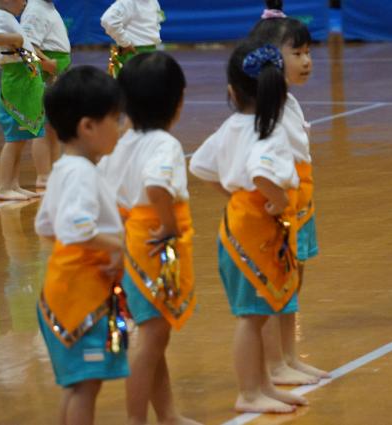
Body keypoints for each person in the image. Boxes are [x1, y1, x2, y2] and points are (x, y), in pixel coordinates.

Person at [190, 40, 307, 413]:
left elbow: (200, 165)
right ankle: (248, 392)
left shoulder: (232, 126)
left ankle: (264, 386)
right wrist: (279, 201)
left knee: (258, 313)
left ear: (232, 91)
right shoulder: (269, 131)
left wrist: (232, 195)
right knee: (251, 317)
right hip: (254, 231)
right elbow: (260, 172)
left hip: (239, 223)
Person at [98, 52, 200, 425]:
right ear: (177, 102)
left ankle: (168, 414)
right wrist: (169, 225)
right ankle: (136, 420)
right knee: (152, 341)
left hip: (127, 243)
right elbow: (157, 185)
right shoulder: (164, 144)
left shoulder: (120, 143)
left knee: (153, 338)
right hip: (153, 248)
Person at [35, 66, 128, 425]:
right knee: (85, 387)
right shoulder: (81, 173)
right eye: (115, 119)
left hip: (64, 288)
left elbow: (45, 226)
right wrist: (117, 245)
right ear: (88, 126)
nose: (120, 126)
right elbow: (76, 229)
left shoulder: (65, 168)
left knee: (77, 385)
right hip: (80, 296)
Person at [248, 0, 328, 385]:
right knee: (274, 286)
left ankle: (289, 357)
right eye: (297, 53)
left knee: (293, 282)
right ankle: (273, 364)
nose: (307, 61)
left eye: (308, 52)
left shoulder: (289, 102)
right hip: (280, 208)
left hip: (301, 203)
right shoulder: (265, 109)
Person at [0, 0, 45, 201]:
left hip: (24, 79)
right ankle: (4, 187)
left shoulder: (6, 16)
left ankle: (13, 184)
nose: (25, 2)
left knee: (19, 139)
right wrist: (16, 38)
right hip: (17, 82)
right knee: (13, 140)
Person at [21, 0, 72, 188]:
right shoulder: (35, 9)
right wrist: (45, 63)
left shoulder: (47, 7)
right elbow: (26, 47)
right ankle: (43, 176)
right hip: (46, 73)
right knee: (42, 127)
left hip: (57, 69)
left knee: (54, 126)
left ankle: (55, 171)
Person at [100, 0, 164, 78]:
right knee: (130, 83)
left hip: (151, 51)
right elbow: (108, 20)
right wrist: (125, 43)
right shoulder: (127, 2)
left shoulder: (153, 2)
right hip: (132, 52)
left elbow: (158, 20)